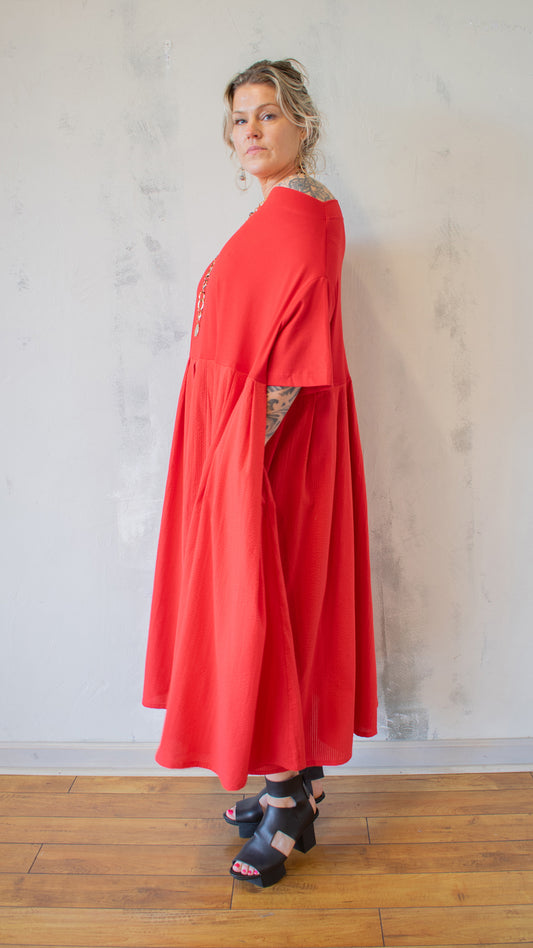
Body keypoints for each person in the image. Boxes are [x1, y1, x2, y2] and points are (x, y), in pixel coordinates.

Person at [143, 58, 378, 888]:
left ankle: (285, 801)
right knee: (270, 606)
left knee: (259, 610)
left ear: (302, 123)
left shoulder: (301, 213)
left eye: (268, 114)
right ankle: (297, 781)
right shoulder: (283, 209)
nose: (250, 130)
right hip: (242, 431)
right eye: (239, 117)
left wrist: (239, 455)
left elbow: (292, 356)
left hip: (265, 443)